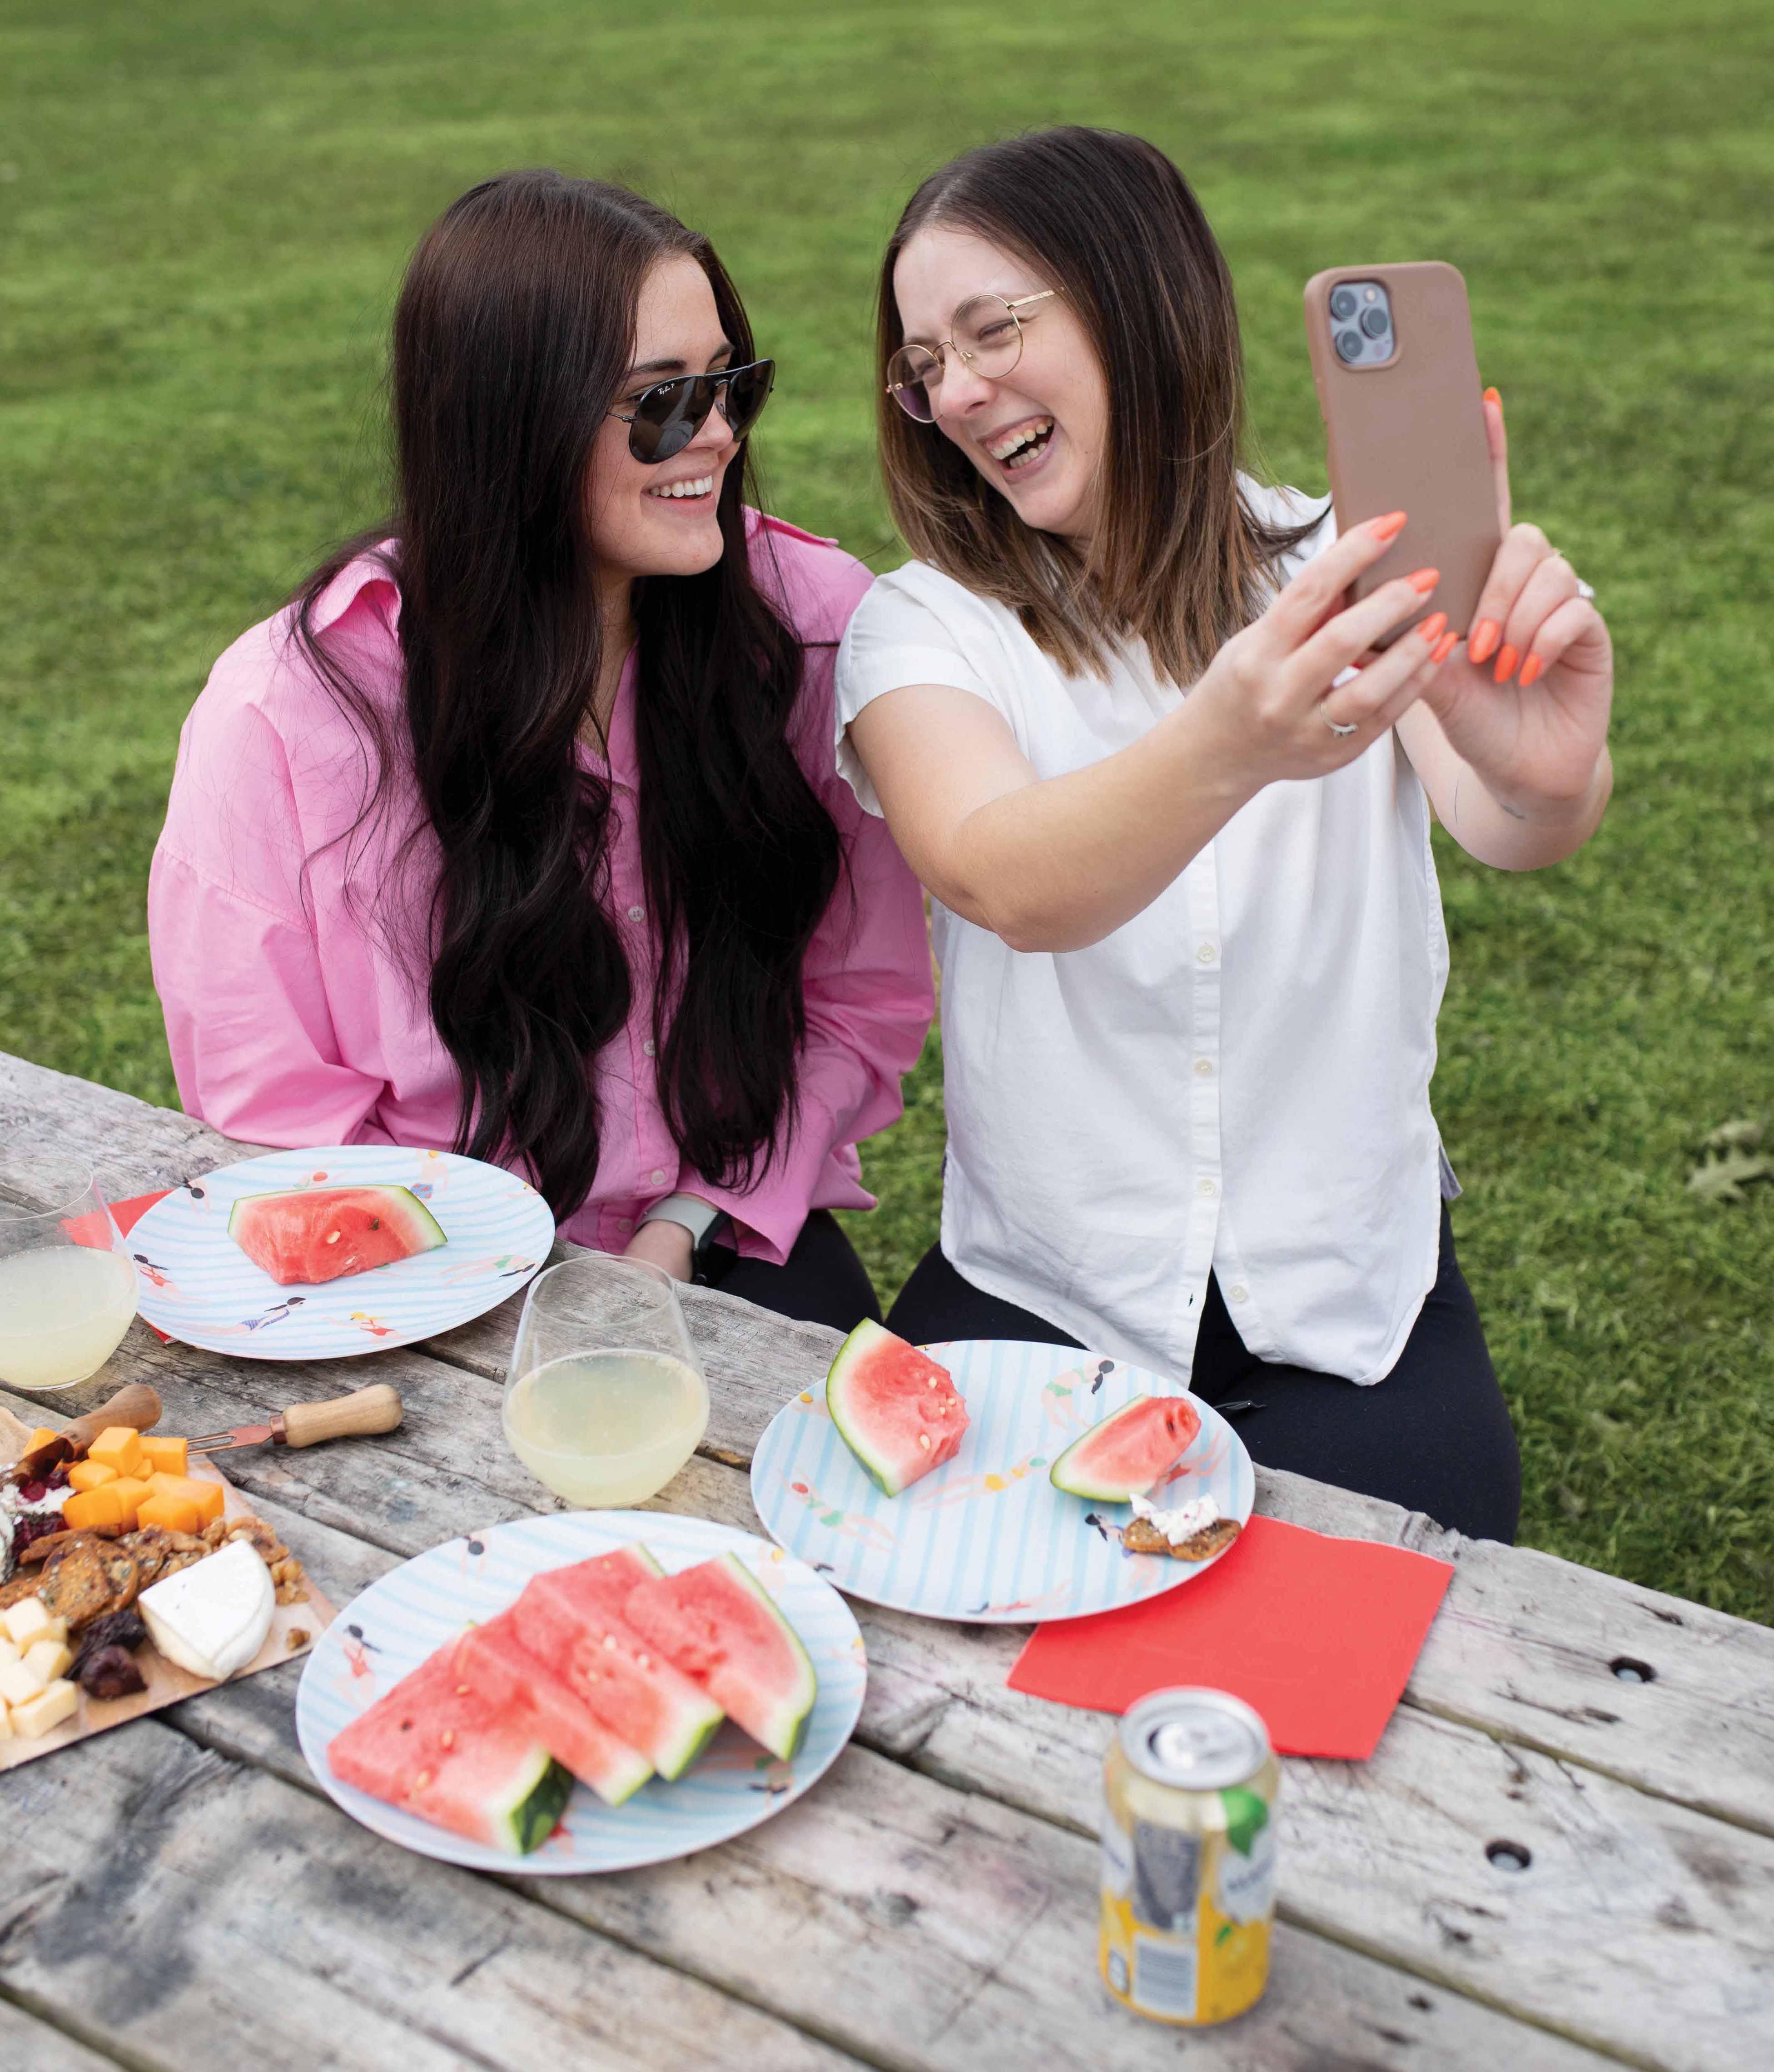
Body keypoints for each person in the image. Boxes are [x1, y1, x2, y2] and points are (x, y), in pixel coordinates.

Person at [834, 129, 1616, 1540]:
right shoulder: (923, 625)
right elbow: (1002, 876)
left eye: (992, 328)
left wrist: (1545, 771)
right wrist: (1232, 739)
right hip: (1043, 1297)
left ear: (1138, 300)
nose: (954, 391)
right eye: (923, 361)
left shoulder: (1348, 566)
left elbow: (1505, 822)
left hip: (1346, 1302)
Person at [149, 170, 933, 1333]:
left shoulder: (813, 626)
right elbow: (272, 1100)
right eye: (662, 403)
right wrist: (503, 1274)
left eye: (731, 385)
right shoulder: (286, 715)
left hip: (722, 1228)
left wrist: (686, 1227)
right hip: (417, 1275)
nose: (716, 436)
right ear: (513, 422)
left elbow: (855, 1001)